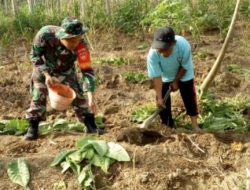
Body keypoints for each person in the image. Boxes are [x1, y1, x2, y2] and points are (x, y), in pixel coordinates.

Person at [24, 17, 103, 140]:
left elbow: (87, 70)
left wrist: (91, 97)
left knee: (78, 95)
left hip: (66, 70)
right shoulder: (45, 35)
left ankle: (90, 124)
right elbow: (34, 55)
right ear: (62, 37)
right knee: (39, 93)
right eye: (71, 41)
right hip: (43, 68)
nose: (74, 44)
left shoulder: (81, 46)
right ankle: (33, 127)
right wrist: (47, 75)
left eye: (77, 40)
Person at [147, 26, 201, 132]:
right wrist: (159, 97)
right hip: (165, 75)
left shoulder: (183, 46)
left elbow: (185, 67)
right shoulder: (153, 54)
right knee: (162, 101)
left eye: (165, 49)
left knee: (189, 95)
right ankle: (167, 125)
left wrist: (176, 81)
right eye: (159, 49)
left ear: (173, 43)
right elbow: (156, 76)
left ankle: (195, 126)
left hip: (184, 73)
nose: (162, 52)